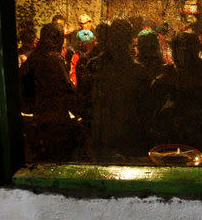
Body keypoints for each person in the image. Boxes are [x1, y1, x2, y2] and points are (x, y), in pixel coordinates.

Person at [89, 19, 149, 159]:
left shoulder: (94, 65)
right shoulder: (138, 71)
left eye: (121, 37)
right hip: (120, 139)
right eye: (118, 37)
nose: (119, 42)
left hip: (110, 138)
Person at [19, 23, 79, 161]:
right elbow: (66, 88)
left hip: (39, 112)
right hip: (56, 115)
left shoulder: (35, 56)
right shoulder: (54, 58)